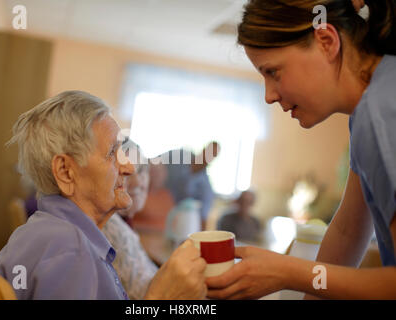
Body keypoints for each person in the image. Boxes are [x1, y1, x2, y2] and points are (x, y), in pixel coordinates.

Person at [206, 0, 396, 300]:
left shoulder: (381, 112)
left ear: (326, 42)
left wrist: (288, 272)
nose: (268, 95)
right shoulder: (367, 114)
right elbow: (347, 230)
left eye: (273, 72)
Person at [0, 91, 207, 300]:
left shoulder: (54, 233)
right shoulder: (71, 251)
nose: (130, 168)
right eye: (112, 153)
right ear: (66, 172)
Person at [102, 139, 159, 299]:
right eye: (126, 174)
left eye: (141, 170)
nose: (138, 182)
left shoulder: (124, 225)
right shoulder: (112, 228)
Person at [165, 141, 220, 230]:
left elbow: (203, 217)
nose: (209, 156)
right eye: (209, 151)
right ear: (204, 149)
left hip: (177, 223)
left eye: (213, 155)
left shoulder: (206, 188)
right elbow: (156, 163)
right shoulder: (180, 155)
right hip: (155, 201)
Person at [132, 161, 175, 232]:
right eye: (154, 172)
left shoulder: (166, 195)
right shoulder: (137, 194)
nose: (158, 175)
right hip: (144, 237)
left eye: (161, 172)